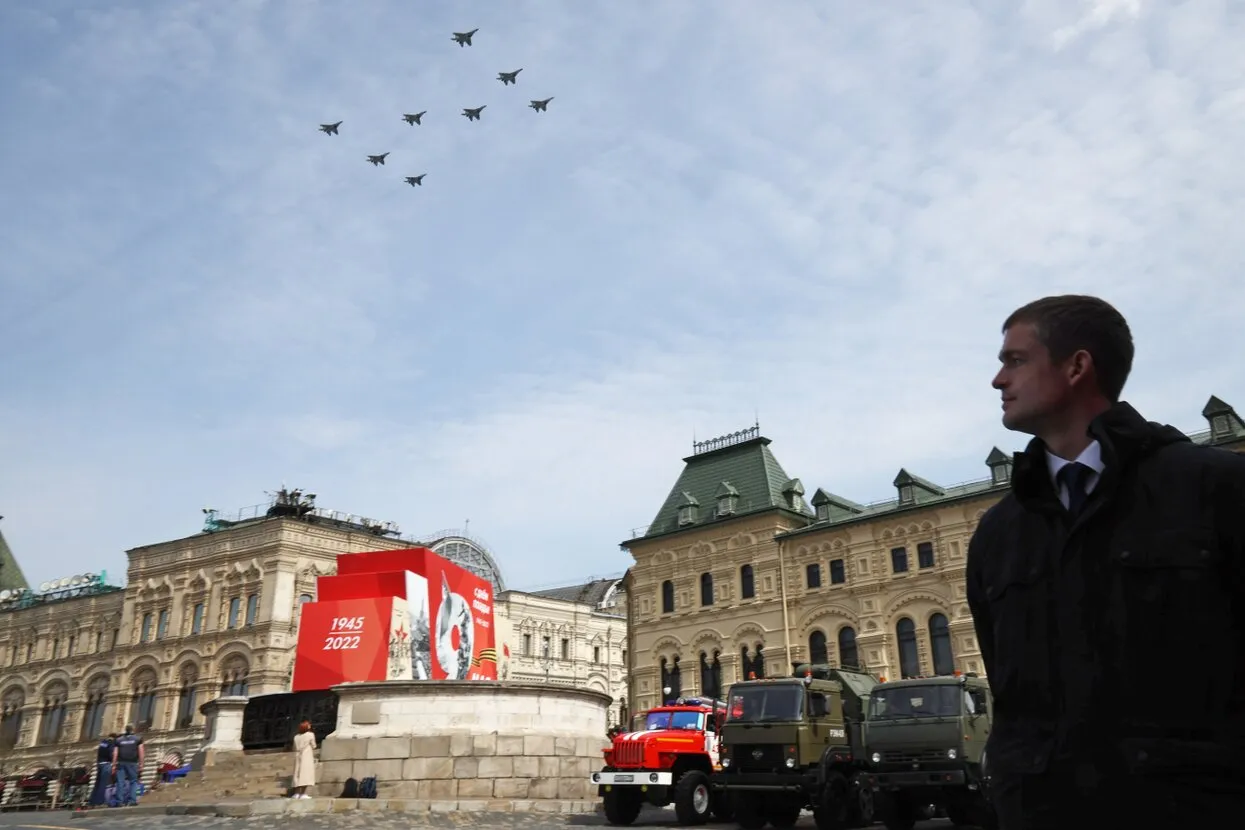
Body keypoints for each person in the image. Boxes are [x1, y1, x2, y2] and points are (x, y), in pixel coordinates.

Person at [966, 295, 1245, 829]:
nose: (998, 380)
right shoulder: (999, 534)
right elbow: (1012, 698)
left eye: (1015, 360)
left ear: (1077, 366)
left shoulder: (1214, 490)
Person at [111, 724, 144, 806]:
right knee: (133, 782)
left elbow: (115, 753)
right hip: (132, 763)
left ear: (125, 730)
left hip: (121, 763)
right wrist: (141, 764)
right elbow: (141, 752)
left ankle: (119, 802)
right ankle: (133, 801)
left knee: (120, 782)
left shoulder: (118, 740)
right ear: (133, 730)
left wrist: (114, 765)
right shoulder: (138, 739)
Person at [88, 733, 116, 807]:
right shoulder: (112, 743)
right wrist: (113, 761)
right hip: (106, 764)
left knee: (97, 784)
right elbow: (111, 753)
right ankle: (100, 802)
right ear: (114, 738)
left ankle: (92, 801)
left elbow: (99, 753)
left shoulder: (103, 742)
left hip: (99, 764)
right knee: (103, 784)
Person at [290, 720, 317, 798]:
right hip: (306, 755)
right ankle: (303, 793)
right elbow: (314, 745)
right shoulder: (310, 735)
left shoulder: (296, 737)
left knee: (297, 773)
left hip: (298, 755)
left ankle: (296, 793)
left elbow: (294, 747)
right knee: (305, 774)